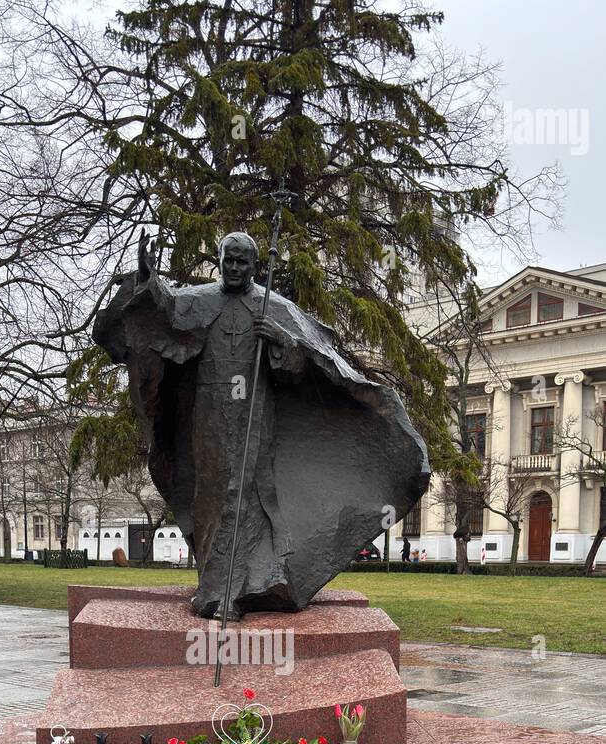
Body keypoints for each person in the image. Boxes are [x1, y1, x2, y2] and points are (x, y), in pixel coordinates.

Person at [93, 228, 429, 618]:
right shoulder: (201, 300)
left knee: (245, 496)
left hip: (256, 413)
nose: (234, 267)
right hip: (210, 416)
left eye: (242, 261)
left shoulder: (274, 306)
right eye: (228, 259)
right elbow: (166, 310)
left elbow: (306, 366)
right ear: (219, 261)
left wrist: (282, 343)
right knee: (211, 497)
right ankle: (214, 585)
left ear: (254, 266)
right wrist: (148, 275)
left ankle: (233, 591)